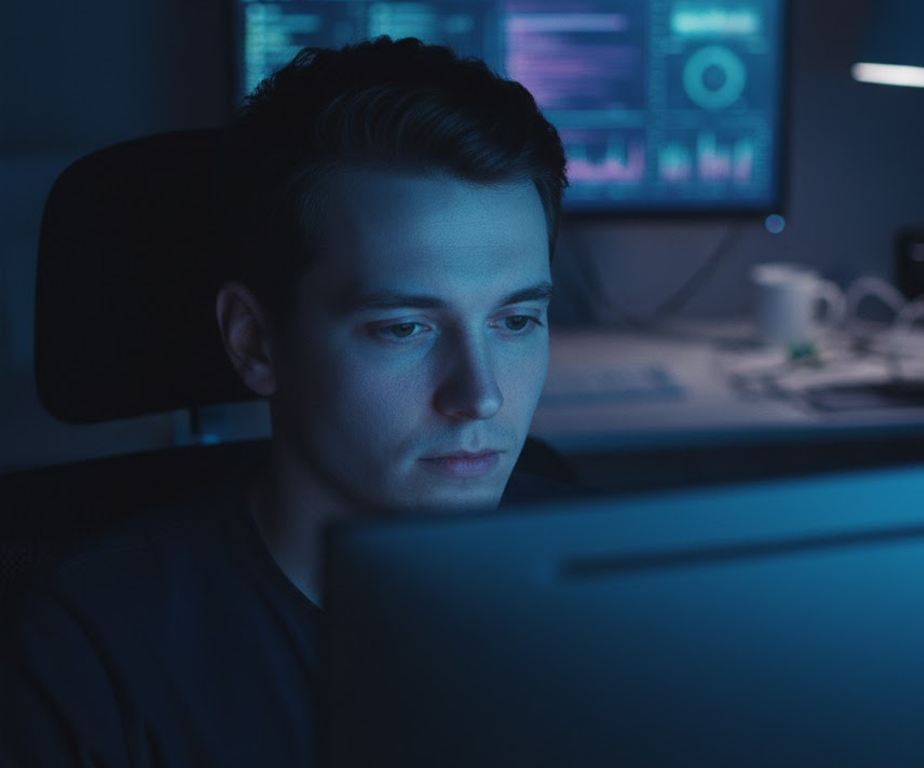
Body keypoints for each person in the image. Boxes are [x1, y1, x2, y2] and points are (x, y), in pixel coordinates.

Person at [0, 36, 568, 767]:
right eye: (403, 328)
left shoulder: (615, 586)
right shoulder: (94, 658)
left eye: (516, 321)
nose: (481, 395)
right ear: (256, 343)